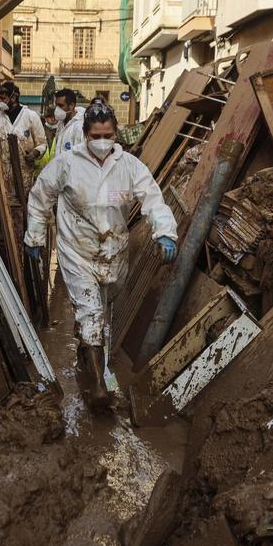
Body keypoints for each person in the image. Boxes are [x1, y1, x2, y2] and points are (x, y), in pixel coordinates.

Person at [24, 103, 178, 413]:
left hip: (114, 252)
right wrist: (35, 236)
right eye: (96, 136)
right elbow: (40, 198)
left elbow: (153, 199)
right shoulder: (66, 164)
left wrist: (165, 231)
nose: (102, 141)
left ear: (115, 133)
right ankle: (98, 389)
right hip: (77, 250)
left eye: (108, 135)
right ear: (85, 134)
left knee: (101, 309)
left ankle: (87, 349)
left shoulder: (129, 166)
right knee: (91, 310)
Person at [0, 82, 46, 187]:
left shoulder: (31, 116)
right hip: (3, 176)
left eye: (3, 98)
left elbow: (42, 144)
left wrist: (35, 153)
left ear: (13, 98)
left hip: (25, 174)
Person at [53, 88, 85, 156]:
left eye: (61, 105)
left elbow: (80, 155)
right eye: (56, 105)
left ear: (71, 105)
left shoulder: (80, 126)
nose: (57, 109)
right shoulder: (61, 123)